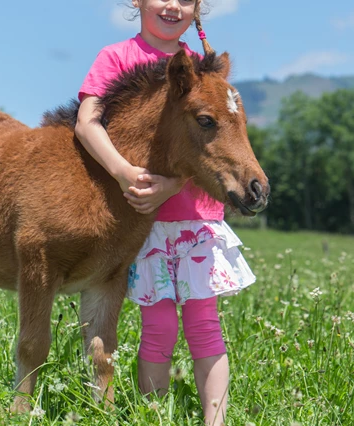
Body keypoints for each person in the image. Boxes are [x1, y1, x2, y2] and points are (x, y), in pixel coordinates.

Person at [75, 1, 256, 424]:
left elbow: (214, 146)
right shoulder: (117, 58)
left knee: (205, 328)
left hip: (197, 220)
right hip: (144, 226)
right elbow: (87, 123)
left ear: (198, 9)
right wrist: (123, 173)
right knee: (157, 329)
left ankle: (216, 420)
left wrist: (173, 184)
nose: (174, 5)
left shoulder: (204, 72)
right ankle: (152, 417)